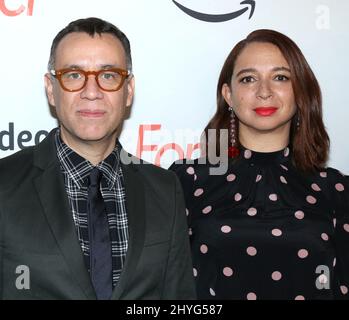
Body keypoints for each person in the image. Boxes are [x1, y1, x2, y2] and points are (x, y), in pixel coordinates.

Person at [0, 17, 195, 300]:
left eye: (108, 75)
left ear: (128, 91)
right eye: (74, 75)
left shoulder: (165, 189)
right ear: (50, 89)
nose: (92, 92)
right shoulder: (5, 184)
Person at [170, 29, 349, 300]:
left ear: (300, 91)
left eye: (280, 77)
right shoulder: (186, 180)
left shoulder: (336, 189)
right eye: (248, 79)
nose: (264, 91)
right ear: (228, 95)